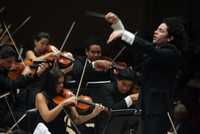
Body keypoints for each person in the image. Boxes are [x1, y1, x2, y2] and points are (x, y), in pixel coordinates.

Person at [104, 12, 188, 134]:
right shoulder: (157, 52)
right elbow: (138, 47)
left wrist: (123, 33)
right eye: (157, 29)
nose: (155, 31)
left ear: (170, 38)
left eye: (161, 30)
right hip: (147, 106)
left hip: (158, 110)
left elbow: (148, 47)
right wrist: (117, 24)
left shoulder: (171, 53)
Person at [35, 66, 105, 134]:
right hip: (45, 131)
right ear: (50, 83)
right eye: (58, 83)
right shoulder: (41, 96)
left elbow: (77, 120)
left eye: (62, 82)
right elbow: (47, 118)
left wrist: (93, 114)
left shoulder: (65, 95)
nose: (62, 85)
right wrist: (63, 104)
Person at [0, 44, 49, 129]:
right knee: (30, 119)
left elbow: (20, 83)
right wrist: (23, 75)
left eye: (13, 62)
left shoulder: (4, 69)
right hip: (3, 113)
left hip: (11, 106)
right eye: (8, 62)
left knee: (33, 113)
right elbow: (11, 85)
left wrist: (37, 74)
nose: (12, 65)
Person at [91, 67, 139, 134]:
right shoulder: (106, 89)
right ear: (117, 80)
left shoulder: (132, 91)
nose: (125, 88)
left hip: (126, 126)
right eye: (123, 84)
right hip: (106, 126)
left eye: (129, 85)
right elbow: (113, 110)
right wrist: (130, 98)